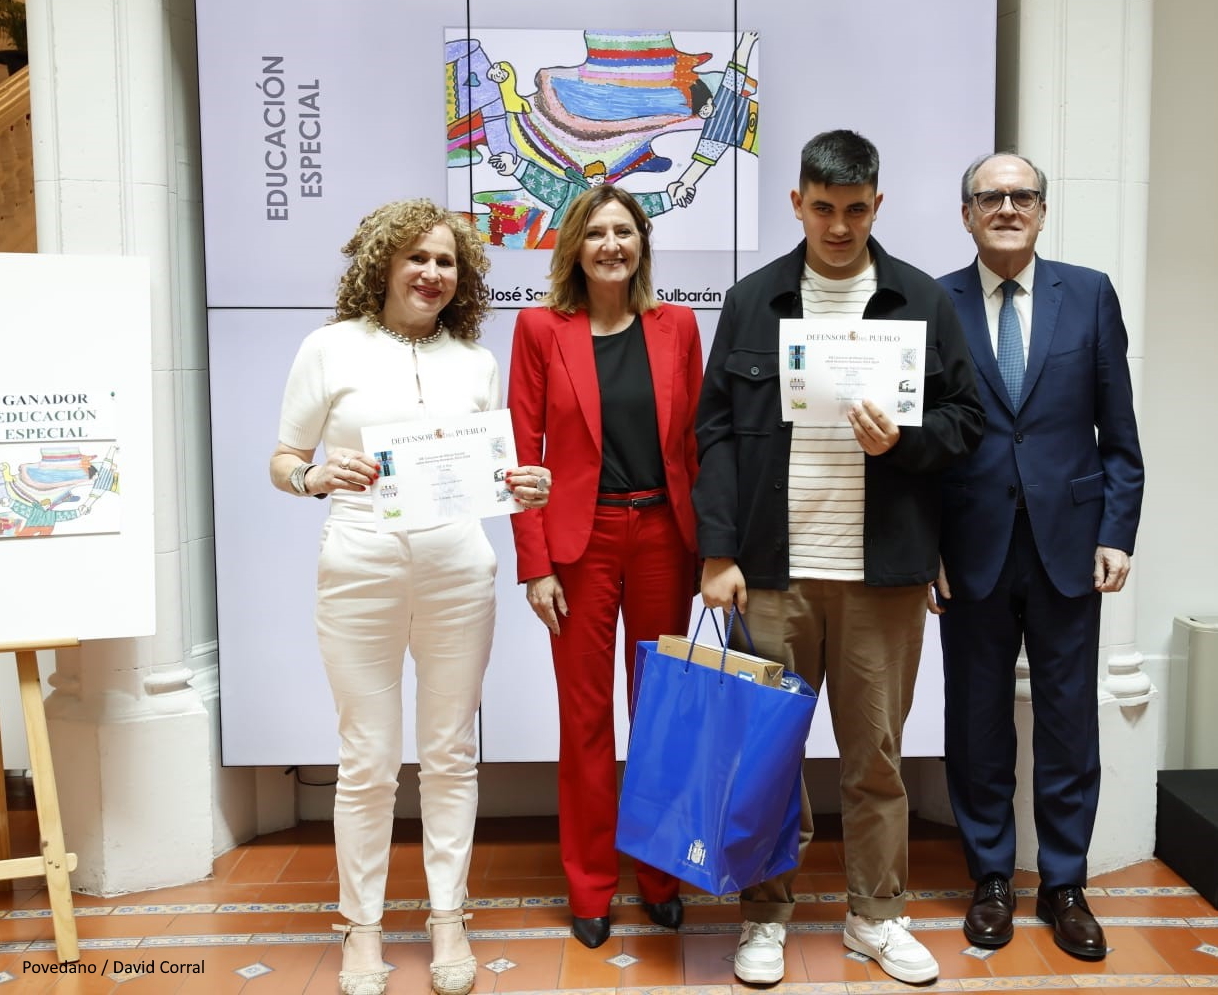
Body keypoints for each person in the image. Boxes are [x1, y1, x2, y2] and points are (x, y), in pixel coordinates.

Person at [694, 129, 985, 986]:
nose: (838, 226)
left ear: (878, 206)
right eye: (823, 208)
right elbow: (713, 433)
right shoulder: (753, 302)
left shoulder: (922, 302)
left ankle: (875, 915)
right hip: (774, 572)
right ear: (797, 203)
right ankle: (766, 917)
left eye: (856, 210)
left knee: (877, 760)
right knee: (769, 758)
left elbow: (965, 425)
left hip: (884, 574)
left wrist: (909, 440)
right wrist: (718, 551)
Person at [268, 199, 551, 995]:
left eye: (447, 262)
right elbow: (284, 458)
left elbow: (489, 472)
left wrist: (525, 486)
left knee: (452, 753)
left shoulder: (475, 361)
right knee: (366, 759)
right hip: (359, 561)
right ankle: (361, 929)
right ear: (383, 263)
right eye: (417, 258)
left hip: (460, 566)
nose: (432, 273)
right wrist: (315, 475)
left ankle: (447, 915)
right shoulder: (329, 348)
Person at [931, 153, 1144, 960]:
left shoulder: (1087, 294)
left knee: (1066, 723)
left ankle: (1064, 883)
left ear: (1043, 212)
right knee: (976, 722)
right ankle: (990, 878)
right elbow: (920, 445)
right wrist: (925, 553)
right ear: (968, 214)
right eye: (992, 196)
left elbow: (1119, 432)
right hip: (969, 553)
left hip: (1069, 550)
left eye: (1022, 196)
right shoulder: (934, 300)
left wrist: (1117, 528)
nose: (1008, 206)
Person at [507, 184, 703, 949]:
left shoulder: (678, 325)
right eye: (597, 233)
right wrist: (535, 564)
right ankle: (590, 884)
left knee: (660, 714)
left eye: (625, 231)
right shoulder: (539, 329)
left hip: (664, 537)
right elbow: (521, 455)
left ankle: (660, 876)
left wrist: (712, 548)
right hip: (577, 547)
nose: (612, 245)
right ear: (575, 248)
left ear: (642, 243)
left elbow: (698, 445)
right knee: (585, 720)